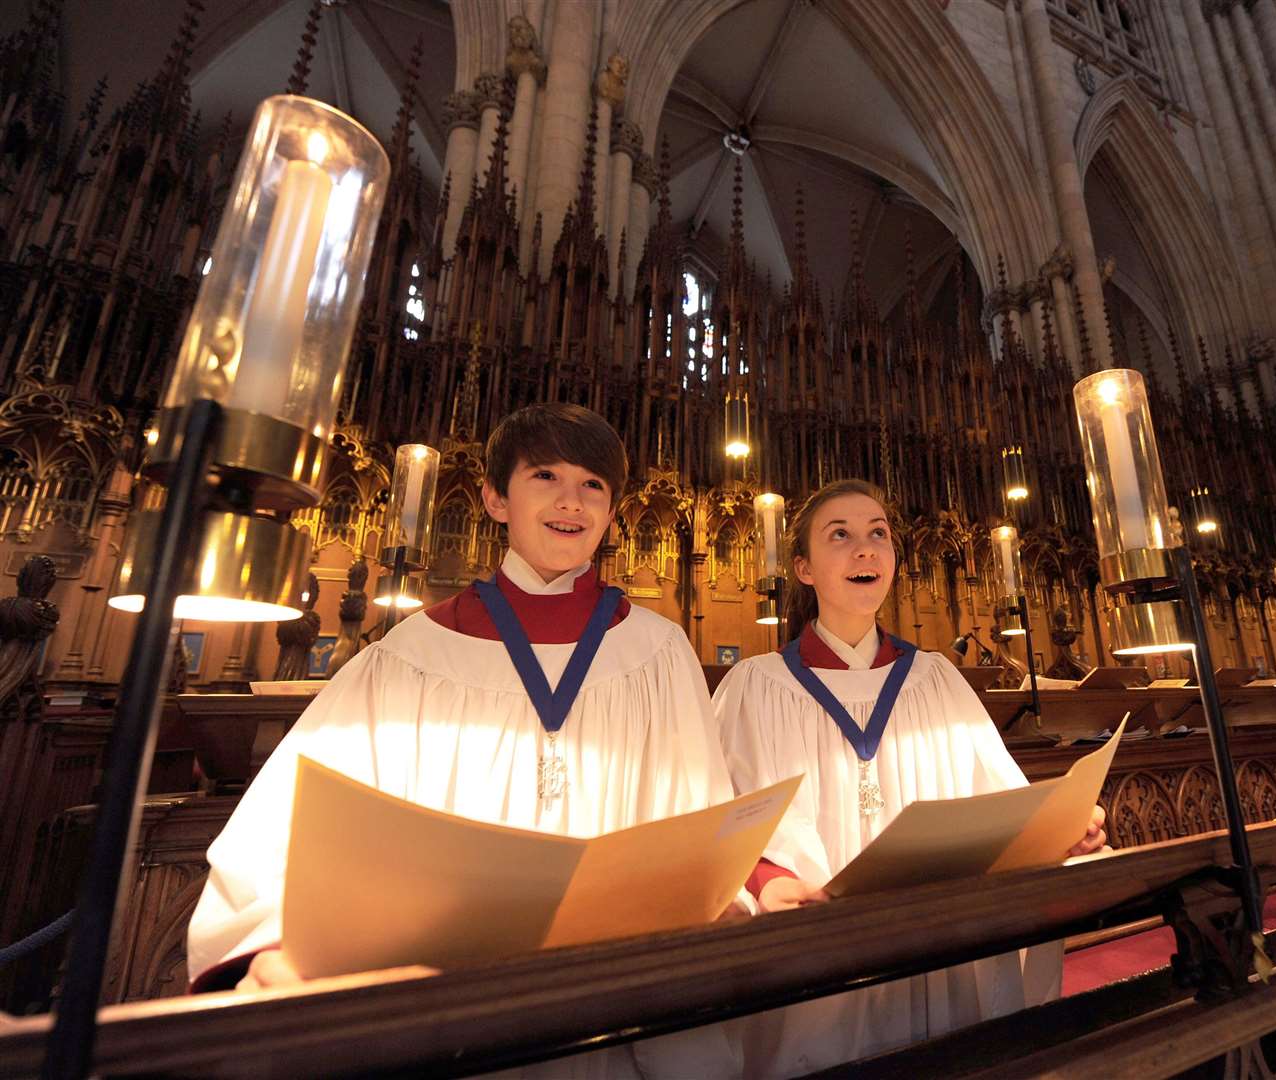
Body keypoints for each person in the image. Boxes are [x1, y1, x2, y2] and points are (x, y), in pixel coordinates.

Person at [188, 403, 740, 1078]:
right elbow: (298, 820)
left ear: (613, 510)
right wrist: (273, 940)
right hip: (444, 1000)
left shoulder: (657, 652)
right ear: (495, 499)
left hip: (609, 998)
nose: (571, 501)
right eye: (544, 476)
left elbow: (699, 818)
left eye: (593, 484)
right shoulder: (414, 654)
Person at [714, 478, 1108, 1078]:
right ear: (804, 568)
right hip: (817, 940)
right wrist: (768, 879)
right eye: (839, 536)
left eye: (878, 534)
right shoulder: (757, 685)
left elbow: (998, 799)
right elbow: (724, 809)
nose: (865, 550)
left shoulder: (934, 679)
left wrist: (1059, 831)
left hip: (939, 937)